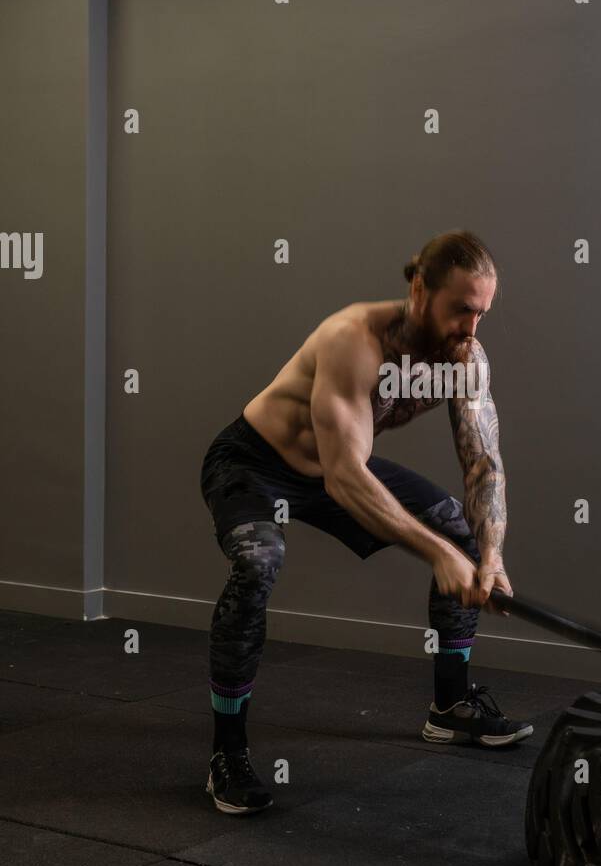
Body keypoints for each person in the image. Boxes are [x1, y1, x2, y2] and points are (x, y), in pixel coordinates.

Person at [199, 229, 532, 814]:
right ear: (419, 289)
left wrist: (490, 555)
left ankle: (450, 710)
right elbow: (345, 478)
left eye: (482, 313)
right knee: (258, 562)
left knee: (460, 527)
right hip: (255, 464)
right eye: (461, 309)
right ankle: (227, 752)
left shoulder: (463, 359)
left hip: (336, 463)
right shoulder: (353, 338)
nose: (471, 327)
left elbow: (484, 464)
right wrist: (437, 555)